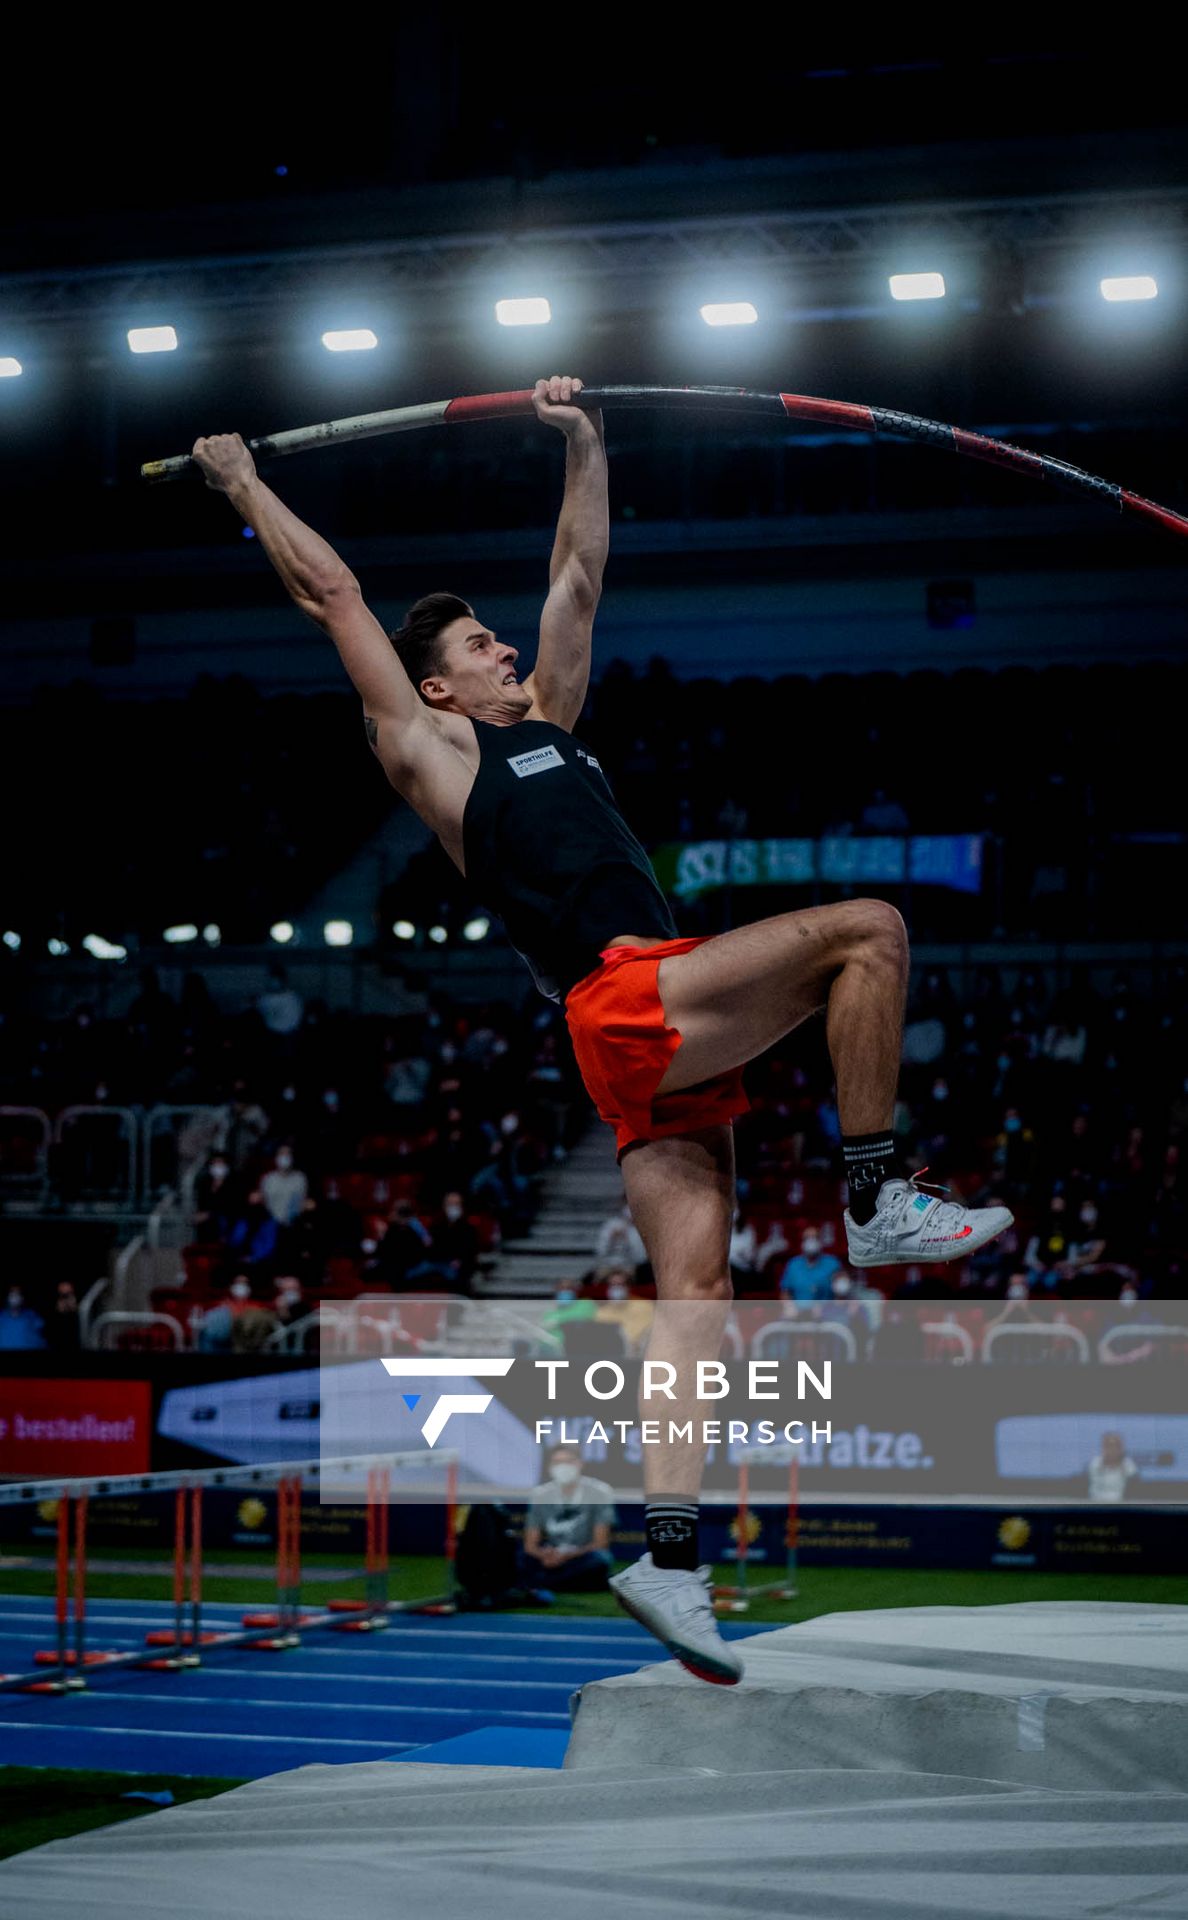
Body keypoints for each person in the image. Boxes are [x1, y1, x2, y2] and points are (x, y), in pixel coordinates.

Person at [192, 374, 1011, 1686]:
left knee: (698, 1305)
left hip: (652, 1025)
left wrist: (586, 437)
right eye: (475, 650)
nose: (503, 648)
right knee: (872, 929)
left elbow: (577, 573)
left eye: (494, 642)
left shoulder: (553, 732)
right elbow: (334, 599)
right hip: (627, 997)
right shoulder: (435, 757)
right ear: (436, 691)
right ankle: (876, 1194)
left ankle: (667, 1560)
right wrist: (241, 482)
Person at [520, 1445, 616, 1595]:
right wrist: (544, 1555)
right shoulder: (540, 1494)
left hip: (581, 1556)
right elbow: (530, 1545)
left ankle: (542, 1582)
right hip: (550, 1555)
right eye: (557, 1462)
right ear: (550, 1466)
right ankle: (571, 1583)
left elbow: (600, 1543)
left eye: (569, 1461)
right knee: (522, 1557)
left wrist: (565, 1556)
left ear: (580, 1463)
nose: (563, 1467)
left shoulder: (600, 1492)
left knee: (599, 1560)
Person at [778, 1227, 842, 1303]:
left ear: (820, 1241)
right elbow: (785, 1291)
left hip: (825, 1310)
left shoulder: (832, 1263)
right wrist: (789, 1308)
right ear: (802, 1242)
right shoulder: (793, 1264)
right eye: (807, 1238)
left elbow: (841, 1293)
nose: (811, 1241)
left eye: (815, 1238)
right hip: (799, 1311)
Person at [1087, 1430, 1138, 1503]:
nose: (1112, 1449)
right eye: (1108, 1446)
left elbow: (1133, 1485)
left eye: (1116, 1446)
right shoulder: (1095, 1463)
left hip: (1121, 1504)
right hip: (1096, 1502)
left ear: (1121, 1448)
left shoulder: (1128, 1464)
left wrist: (1120, 1465)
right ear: (1103, 1447)